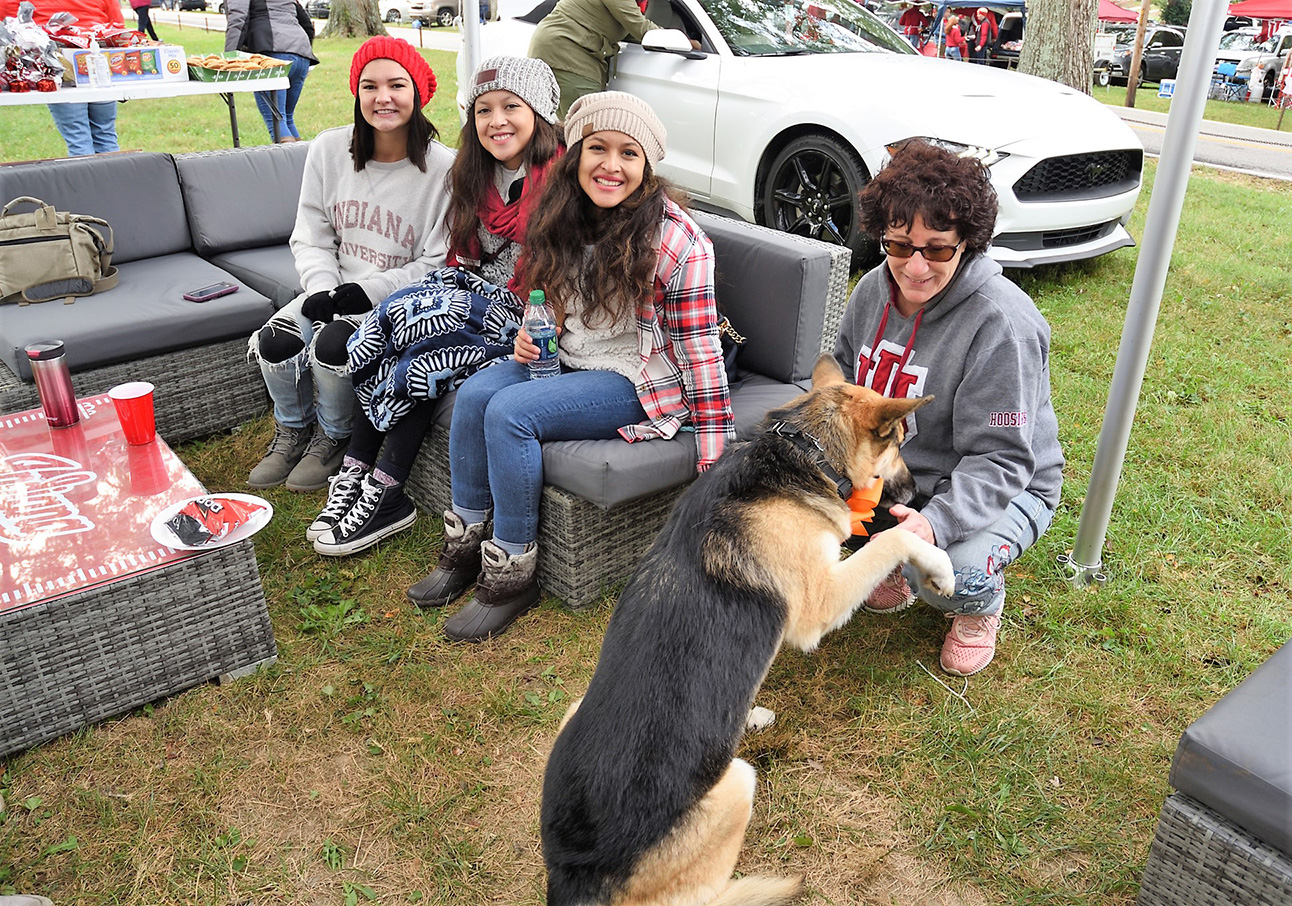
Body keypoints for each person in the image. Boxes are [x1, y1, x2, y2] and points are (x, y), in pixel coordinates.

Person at [421, 91, 733, 643]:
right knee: (474, 395)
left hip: (638, 375)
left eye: (628, 153)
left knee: (511, 413)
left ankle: (512, 571)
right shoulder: (559, 206)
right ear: (576, 153)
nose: (611, 165)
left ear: (648, 165)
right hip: (565, 352)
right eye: (598, 148)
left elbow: (701, 351)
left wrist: (716, 465)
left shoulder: (679, 242)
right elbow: (547, 289)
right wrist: (530, 328)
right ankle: (465, 544)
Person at [308, 56, 565, 557]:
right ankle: (355, 472)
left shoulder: (562, 178)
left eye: (511, 106)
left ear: (539, 112)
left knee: (430, 341)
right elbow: (458, 255)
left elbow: (562, 276)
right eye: (483, 110)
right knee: (395, 319)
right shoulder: (476, 171)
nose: (496, 121)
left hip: (528, 312)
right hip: (470, 288)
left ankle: (386, 491)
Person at [833, 140, 1062, 677]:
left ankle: (978, 605)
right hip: (899, 473)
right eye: (898, 244)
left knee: (948, 572)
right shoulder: (872, 289)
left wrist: (935, 525)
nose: (914, 267)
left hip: (1005, 485)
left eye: (936, 249)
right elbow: (843, 378)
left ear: (968, 243)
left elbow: (1003, 459)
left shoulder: (1002, 324)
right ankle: (892, 549)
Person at [246, 36, 454, 492]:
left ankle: (335, 437)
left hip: (396, 302)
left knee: (335, 344)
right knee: (276, 340)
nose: (383, 98)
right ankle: (292, 431)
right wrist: (322, 288)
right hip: (333, 285)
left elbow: (437, 260)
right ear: (355, 93)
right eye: (369, 86)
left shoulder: (443, 169)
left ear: (417, 91)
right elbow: (311, 233)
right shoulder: (327, 150)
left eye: (397, 85)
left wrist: (368, 293)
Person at [0, 0, 123, 156]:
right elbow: (117, 24)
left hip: (55, 62)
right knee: (105, 134)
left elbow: (9, 25)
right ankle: (113, 178)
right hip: (98, 58)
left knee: (78, 138)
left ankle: (86, 179)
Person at [527, 0, 682, 117]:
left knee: (566, 132)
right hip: (569, 53)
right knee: (586, 129)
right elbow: (638, 26)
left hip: (556, 49)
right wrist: (686, 42)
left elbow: (631, 33)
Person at [223, 0, 317, 142]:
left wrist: (228, 60)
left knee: (277, 121)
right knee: (286, 118)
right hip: (301, 54)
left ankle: (286, 163)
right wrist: (300, 51)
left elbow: (238, 19)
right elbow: (307, 25)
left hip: (272, 53)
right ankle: (302, 161)